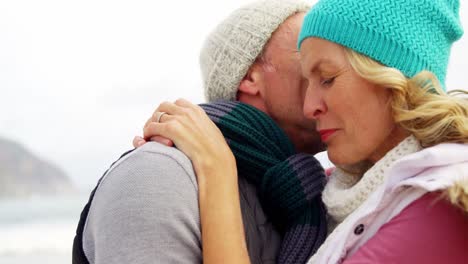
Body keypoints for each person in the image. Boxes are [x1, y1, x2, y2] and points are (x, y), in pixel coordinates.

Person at [144, 0, 468, 263]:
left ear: (392, 78)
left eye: (326, 78)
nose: (310, 106)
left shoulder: (439, 206)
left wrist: (216, 171)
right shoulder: (343, 191)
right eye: (305, 82)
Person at [72, 1, 328, 263]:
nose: (331, 58)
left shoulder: (317, 195)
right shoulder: (159, 175)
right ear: (250, 77)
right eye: (307, 47)